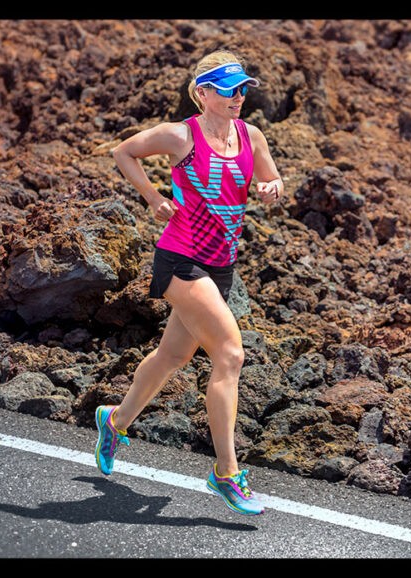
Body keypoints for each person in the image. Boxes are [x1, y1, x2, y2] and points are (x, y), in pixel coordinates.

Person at [93, 50, 282, 516]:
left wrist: (271, 188)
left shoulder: (250, 135)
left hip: (222, 264)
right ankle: (226, 472)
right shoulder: (181, 135)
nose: (239, 97)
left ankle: (114, 422)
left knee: (174, 356)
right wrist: (154, 197)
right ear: (203, 93)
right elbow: (124, 152)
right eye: (229, 89)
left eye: (243, 89)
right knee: (230, 353)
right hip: (180, 259)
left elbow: (272, 178)